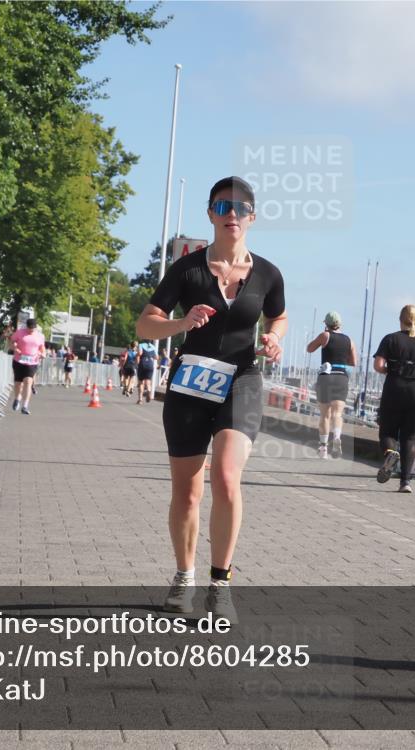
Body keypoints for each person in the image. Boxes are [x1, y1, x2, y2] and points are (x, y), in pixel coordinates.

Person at [136, 176, 287, 623]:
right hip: (191, 384)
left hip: (241, 379)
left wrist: (275, 340)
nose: (232, 215)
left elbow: (277, 316)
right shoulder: (187, 270)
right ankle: (185, 576)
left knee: (225, 476)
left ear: (253, 217)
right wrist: (181, 323)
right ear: (210, 214)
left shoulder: (268, 273)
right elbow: (145, 326)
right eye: (223, 207)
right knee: (187, 492)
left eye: (241, 207)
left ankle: (220, 585)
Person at [372, 304, 415, 492]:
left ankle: (390, 453)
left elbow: (378, 365)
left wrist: (391, 370)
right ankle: (405, 483)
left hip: (395, 387)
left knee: (387, 432)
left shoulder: (390, 339)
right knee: (409, 438)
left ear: (400, 319)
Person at [306, 312, 357, 459]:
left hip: (326, 377)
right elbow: (354, 362)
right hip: (341, 377)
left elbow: (310, 348)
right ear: (340, 324)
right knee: (337, 414)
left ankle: (323, 449)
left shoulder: (325, 336)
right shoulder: (350, 340)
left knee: (325, 415)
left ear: (326, 324)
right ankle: (337, 437)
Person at [10, 318, 46, 415]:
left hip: (32, 362)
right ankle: (17, 398)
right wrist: (15, 348)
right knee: (18, 383)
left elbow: (42, 347)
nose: (31, 330)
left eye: (33, 329)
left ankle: (25, 406)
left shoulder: (40, 336)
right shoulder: (20, 332)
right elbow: (12, 342)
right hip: (19, 360)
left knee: (28, 381)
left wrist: (43, 354)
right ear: (27, 326)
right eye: (30, 328)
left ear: (36, 327)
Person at [136, 340, 158, 404]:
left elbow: (140, 353)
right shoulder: (153, 347)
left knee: (141, 382)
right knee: (148, 382)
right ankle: (148, 390)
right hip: (150, 365)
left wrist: (137, 355)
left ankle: (140, 400)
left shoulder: (141, 345)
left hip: (143, 363)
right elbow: (157, 357)